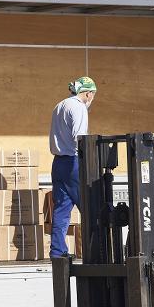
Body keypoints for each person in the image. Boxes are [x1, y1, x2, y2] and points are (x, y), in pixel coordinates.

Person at [48, 76, 97, 258]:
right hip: (74, 163)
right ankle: (95, 252)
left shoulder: (59, 106)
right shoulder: (79, 107)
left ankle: (57, 251)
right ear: (88, 93)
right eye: (92, 95)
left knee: (61, 209)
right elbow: (81, 137)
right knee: (91, 207)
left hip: (58, 163)